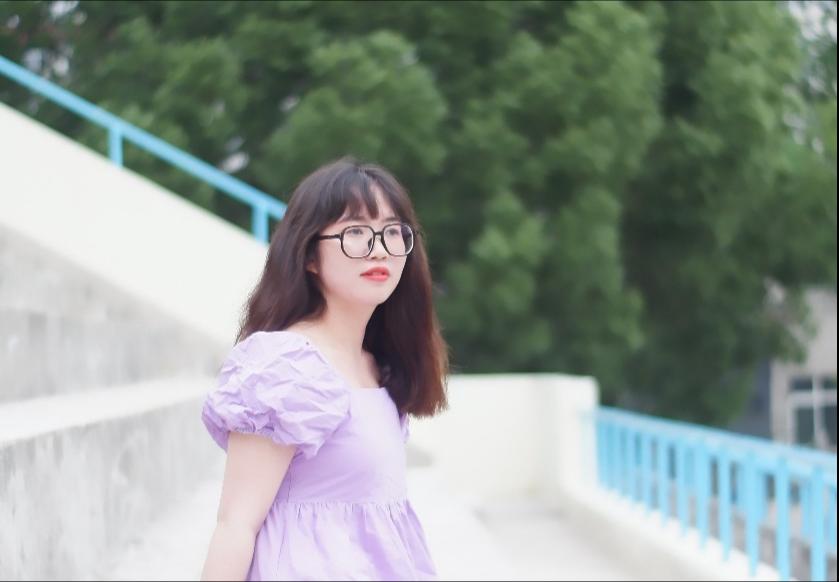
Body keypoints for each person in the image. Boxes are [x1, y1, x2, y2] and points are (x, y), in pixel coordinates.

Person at [199, 156, 450, 581]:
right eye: (355, 232)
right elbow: (236, 524)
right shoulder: (284, 367)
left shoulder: (379, 366)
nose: (379, 249)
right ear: (309, 256)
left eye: (392, 231)